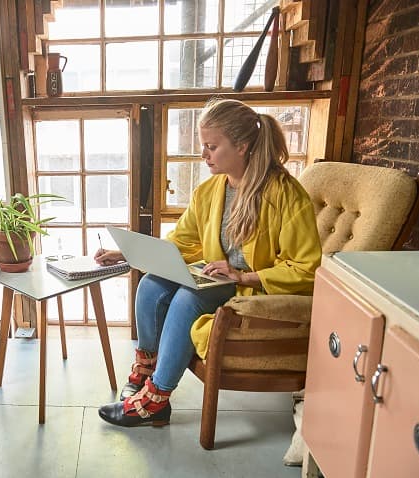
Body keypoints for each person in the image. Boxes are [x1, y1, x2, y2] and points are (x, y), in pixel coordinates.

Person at [94, 98, 322, 427]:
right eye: (204, 146)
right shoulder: (210, 190)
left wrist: (244, 277)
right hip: (216, 277)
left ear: (242, 146)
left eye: (212, 147)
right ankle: (146, 369)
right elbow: (184, 241)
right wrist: (129, 254)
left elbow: (306, 267)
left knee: (190, 295)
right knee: (151, 284)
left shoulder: (286, 195)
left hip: (254, 290)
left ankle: (157, 398)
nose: (204, 155)